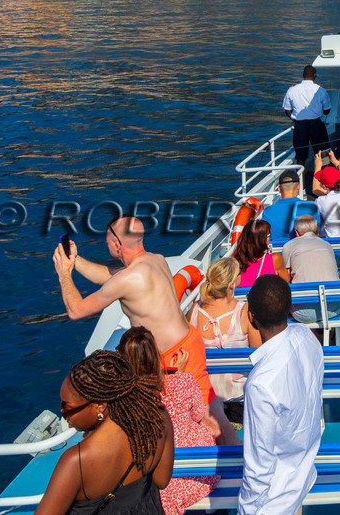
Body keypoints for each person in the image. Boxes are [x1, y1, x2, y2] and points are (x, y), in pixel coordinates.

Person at [54, 216, 209, 403]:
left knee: (173, 423)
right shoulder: (156, 260)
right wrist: (74, 260)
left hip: (170, 359)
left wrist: (64, 274)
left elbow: (76, 311)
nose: (106, 245)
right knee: (211, 414)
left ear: (117, 244)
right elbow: (106, 275)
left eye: (107, 242)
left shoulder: (127, 279)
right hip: (190, 342)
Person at [33, 350, 174, 515]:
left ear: (100, 406)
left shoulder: (76, 461)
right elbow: (162, 480)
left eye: (67, 407)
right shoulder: (158, 417)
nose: (63, 413)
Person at [239, 275, 325, 515]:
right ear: (289, 309)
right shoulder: (307, 337)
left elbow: (259, 465)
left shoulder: (260, 385)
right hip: (303, 474)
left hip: (274, 502)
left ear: (252, 318)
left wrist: (246, 511)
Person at [117, 326, 221, 515]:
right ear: (156, 354)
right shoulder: (184, 382)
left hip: (158, 487)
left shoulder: (125, 400)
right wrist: (178, 374)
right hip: (198, 476)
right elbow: (198, 415)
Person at [187, 258, 258, 440]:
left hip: (205, 401)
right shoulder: (244, 311)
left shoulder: (194, 311)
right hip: (238, 399)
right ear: (232, 285)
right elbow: (260, 354)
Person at [280, 214, 340, 326]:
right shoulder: (327, 245)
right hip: (332, 309)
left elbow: (286, 277)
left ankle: (316, 334)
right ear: (316, 230)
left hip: (303, 313)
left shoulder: (289, 245)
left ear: (297, 232)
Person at [282, 65, 330, 187]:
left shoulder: (292, 90)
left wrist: (295, 119)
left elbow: (287, 111)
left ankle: (301, 188)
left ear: (303, 75)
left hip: (300, 126)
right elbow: (327, 110)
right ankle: (321, 185)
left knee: (300, 157)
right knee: (322, 154)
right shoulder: (320, 90)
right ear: (314, 76)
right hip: (316, 125)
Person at [232, 219, 290, 289]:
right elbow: (287, 282)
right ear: (261, 239)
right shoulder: (274, 259)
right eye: (269, 235)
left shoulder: (234, 261)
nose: (269, 238)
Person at [261, 171, 318, 240]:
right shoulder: (311, 207)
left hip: (277, 250)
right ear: (299, 186)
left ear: (279, 189)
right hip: (302, 249)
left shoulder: (267, 212)